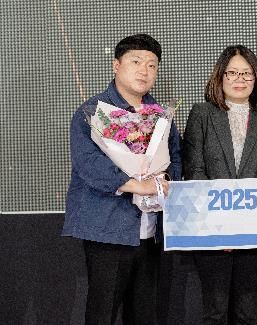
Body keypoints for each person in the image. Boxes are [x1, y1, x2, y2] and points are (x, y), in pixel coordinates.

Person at [62, 34, 182, 325]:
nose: (144, 70)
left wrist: (164, 179)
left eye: (152, 65)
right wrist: (135, 184)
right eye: (136, 62)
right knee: (102, 313)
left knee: (144, 314)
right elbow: (89, 164)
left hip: (150, 229)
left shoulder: (161, 116)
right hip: (108, 230)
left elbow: (176, 157)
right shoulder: (94, 112)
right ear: (116, 66)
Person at [183, 45, 257, 325]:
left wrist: (247, 227)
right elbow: (195, 171)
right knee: (214, 312)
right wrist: (223, 228)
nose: (240, 79)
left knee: (248, 313)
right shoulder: (202, 114)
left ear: (256, 78)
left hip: (254, 232)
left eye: (247, 73)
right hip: (211, 230)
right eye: (232, 73)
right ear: (220, 76)